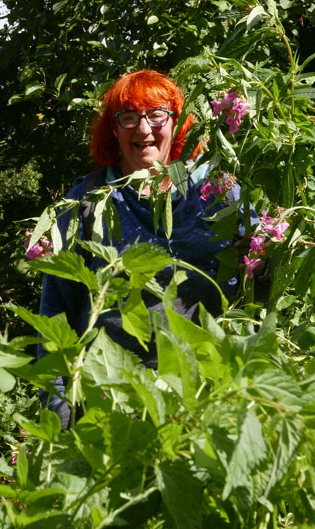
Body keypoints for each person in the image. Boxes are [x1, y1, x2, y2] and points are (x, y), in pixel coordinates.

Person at [37, 69, 243, 427]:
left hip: (207, 391)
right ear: (113, 130)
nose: (144, 129)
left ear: (178, 123)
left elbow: (258, 269)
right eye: (129, 118)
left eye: (157, 115)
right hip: (111, 395)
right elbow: (56, 310)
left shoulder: (216, 191)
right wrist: (59, 410)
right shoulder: (87, 200)